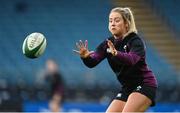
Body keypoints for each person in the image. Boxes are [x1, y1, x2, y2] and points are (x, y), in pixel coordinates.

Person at [73, 7, 158, 112]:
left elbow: (132, 59)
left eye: (117, 20)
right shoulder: (107, 43)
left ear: (126, 23)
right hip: (127, 88)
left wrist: (116, 53)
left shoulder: (135, 41)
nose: (113, 23)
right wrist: (85, 57)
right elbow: (93, 61)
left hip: (144, 84)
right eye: (110, 20)